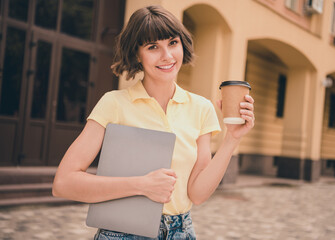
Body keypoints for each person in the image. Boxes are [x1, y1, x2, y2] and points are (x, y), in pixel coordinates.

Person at [52, 5, 255, 240]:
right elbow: (63, 183)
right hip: (123, 232)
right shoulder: (114, 103)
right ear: (137, 54)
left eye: (172, 43)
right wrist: (141, 185)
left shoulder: (201, 108)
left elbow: (197, 195)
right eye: (152, 47)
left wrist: (232, 139)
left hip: (181, 231)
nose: (167, 55)